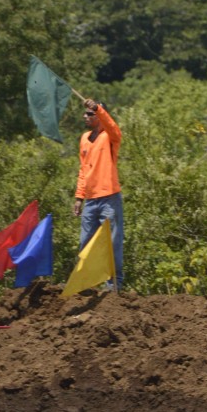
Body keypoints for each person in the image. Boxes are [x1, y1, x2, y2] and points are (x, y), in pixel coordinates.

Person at [73, 98, 124, 290]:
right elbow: (83, 170)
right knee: (85, 242)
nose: (85, 116)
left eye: (90, 114)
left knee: (112, 243)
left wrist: (98, 108)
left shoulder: (109, 137)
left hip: (110, 198)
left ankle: (114, 285)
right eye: (85, 113)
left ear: (100, 116)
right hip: (91, 200)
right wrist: (79, 197)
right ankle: (84, 284)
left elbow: (114, 128)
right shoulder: (84, 138)